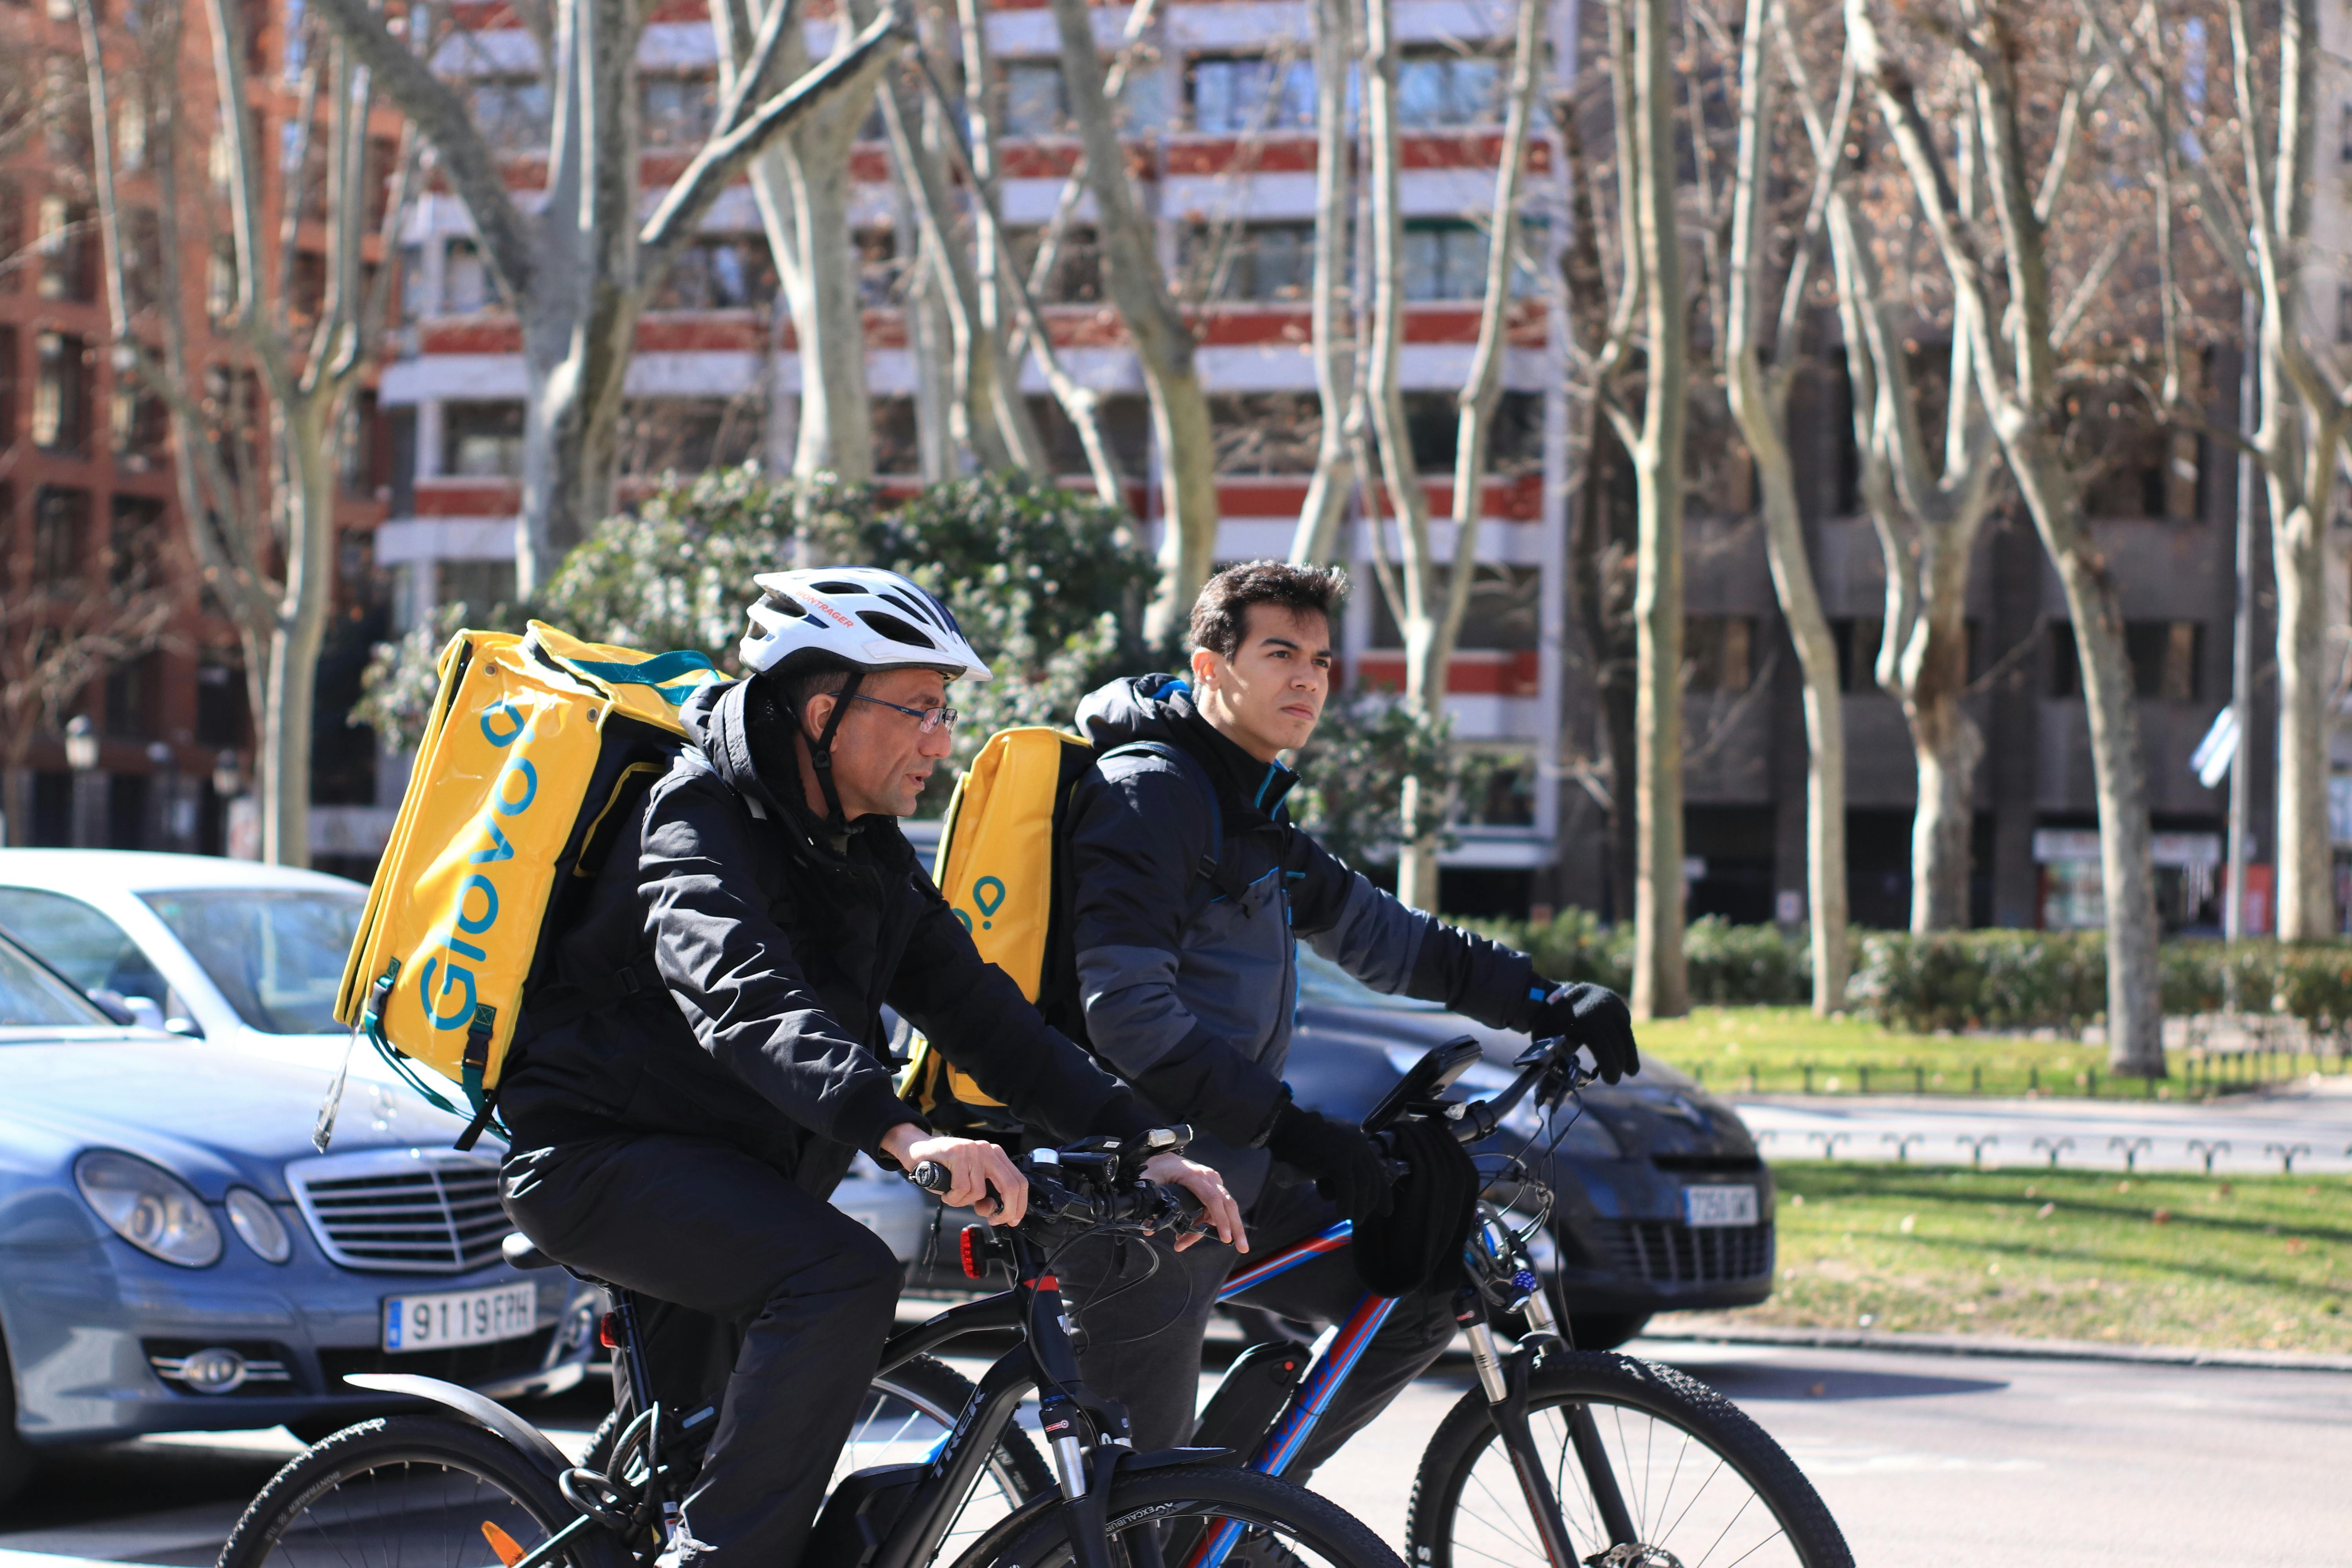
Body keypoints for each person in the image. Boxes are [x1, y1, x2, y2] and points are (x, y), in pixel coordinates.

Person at [494, 566, 1243, 1568]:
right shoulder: (692, 817)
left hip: (741, 1179)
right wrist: (901, 1130)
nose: (943, 739)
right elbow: (742, 993)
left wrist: (1141, 1142)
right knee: (842, 1276)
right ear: (822, 710)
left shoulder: (869, 854)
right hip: (603, 1159)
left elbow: (986, 1016)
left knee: (705, 1471)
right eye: (922, 709)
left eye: (948, 710)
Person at [1054, 560, 1641, 1473]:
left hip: (1235, 1167)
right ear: (1210, 668)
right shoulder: (1151, 795)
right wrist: (1291, 1125)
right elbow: (1126, 1013)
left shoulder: (1247, 809)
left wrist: (1544, 1000)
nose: (1307, 678)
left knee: (1413, 1294)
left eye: (1322, 660)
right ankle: (1191, 1523)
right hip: (1138, 1186)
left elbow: (1393, 941)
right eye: (1280, 652)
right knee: (1135, 1502)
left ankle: (1239, 1512)